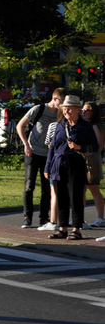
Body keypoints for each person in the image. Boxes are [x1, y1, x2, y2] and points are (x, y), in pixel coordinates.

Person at [44, 95, 99, 240]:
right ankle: (62, 229)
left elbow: (95, 146)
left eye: (69, 109)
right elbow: (53, 147)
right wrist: (47, 167)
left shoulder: (85, 126)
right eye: (64, 109)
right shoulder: (61, 125)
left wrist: (79, 147)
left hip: (76, 164)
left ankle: (76, 229)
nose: (66, 111)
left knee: (75, 197)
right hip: (58, 164)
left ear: (77, 110)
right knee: (61, 197)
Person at [16, 87, 68, 228]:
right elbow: (20, 125)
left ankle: (43, 218)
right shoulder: (38, 109)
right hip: (32, 152)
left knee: (46, 188)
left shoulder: (61, 113)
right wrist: (26, 144)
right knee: (29, 186)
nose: (63, 105)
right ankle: (27, 217)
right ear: (55, 99)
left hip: (48, 155)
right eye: (62, 102)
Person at [38, 109, 64, 231]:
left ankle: (53, 221)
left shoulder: (54, 126)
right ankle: (74, 224)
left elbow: (48, 145)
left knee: (54, 193)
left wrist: (47, 166)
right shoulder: (82, 126)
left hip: (55, 162)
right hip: (69, 163)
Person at [81, 101, 105, 227]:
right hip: (85, 159)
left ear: (94, 112)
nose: (84, 112)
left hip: (92, 161)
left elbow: (99, 147)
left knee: (94, 188)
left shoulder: (95, 126)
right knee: (83, 189)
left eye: (88, 110)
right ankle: (80, 217)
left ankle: (101, 217)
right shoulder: (86, 125)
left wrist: (81, 147)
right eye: (83, 109)